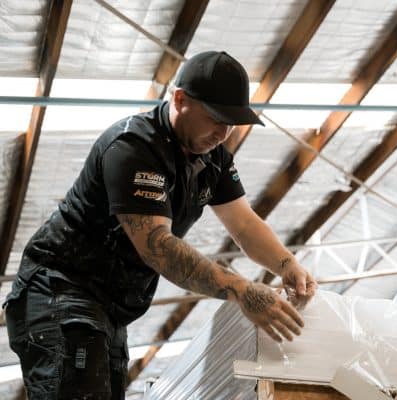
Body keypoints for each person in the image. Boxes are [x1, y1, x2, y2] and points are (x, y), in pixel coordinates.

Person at [3, 51, 318, 399]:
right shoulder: (132, 148)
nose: (223, 132)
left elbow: (243, 224)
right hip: (59, 290)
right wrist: (243, 291)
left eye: (232, 123)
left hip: (109, 309)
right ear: (180, 99)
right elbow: (158, 248)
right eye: (216, 118)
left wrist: (287, 264)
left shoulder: (212, 158)